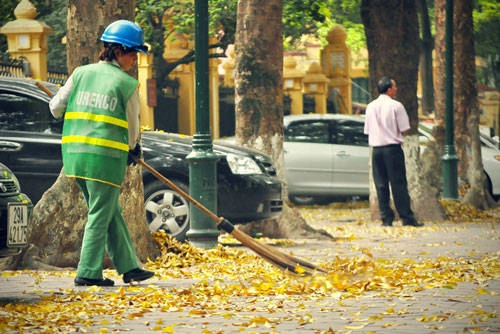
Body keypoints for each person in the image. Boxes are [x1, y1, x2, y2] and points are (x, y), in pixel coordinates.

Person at [49, 20, 155, 286]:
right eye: (133, 53)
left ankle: (129, 266)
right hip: (105, 161)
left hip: (75, 157)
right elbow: (133, 128)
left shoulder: (81, 73)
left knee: (107, 210)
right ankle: (87, 272)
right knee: (100, 212)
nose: (135, 59)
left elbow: (54, 107)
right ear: (118, 51)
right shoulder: (127, 84)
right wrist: (133, 149)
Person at [363, 76, 423, 227]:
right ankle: (406, 217)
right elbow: (404, 129)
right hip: (392, 149)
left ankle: (386, 218)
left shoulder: (370, 106)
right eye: (394, 87)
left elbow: (368, 130)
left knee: (381, 185)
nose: (396, 89)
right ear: (389, 89)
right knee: (398, 184)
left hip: (376, 150)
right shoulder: (396, 106)